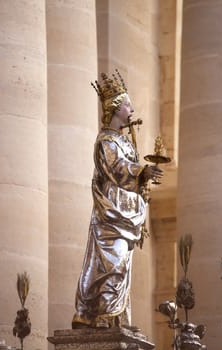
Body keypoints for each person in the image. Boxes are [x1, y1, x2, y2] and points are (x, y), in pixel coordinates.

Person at [72, 70, 162, 329]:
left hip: (127, 212)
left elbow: (130, 170)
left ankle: (114, 317)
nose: (131, 108)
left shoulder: (124, 141)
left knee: (122, 266)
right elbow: (118, 169)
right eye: (126, 103)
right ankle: (102, 314)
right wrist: (141, 172)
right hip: (112, 213)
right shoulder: (106, 141)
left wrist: (144, 179)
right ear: (114, 108)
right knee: (113, 262)